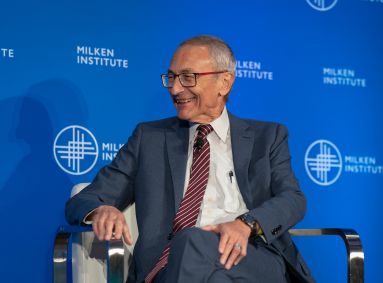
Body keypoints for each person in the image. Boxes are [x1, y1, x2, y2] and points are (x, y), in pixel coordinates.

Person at [66, 35, 315, 283]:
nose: (175, 88)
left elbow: (292, 199)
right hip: (169, 267)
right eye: (171, 77)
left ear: (224, 83)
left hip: (252, 257)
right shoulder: (149, 139)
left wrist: (246, 224)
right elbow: (85, 199)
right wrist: (101, 209)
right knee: (194, 248)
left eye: (188, 77)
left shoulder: (267, 136)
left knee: (191, 241)